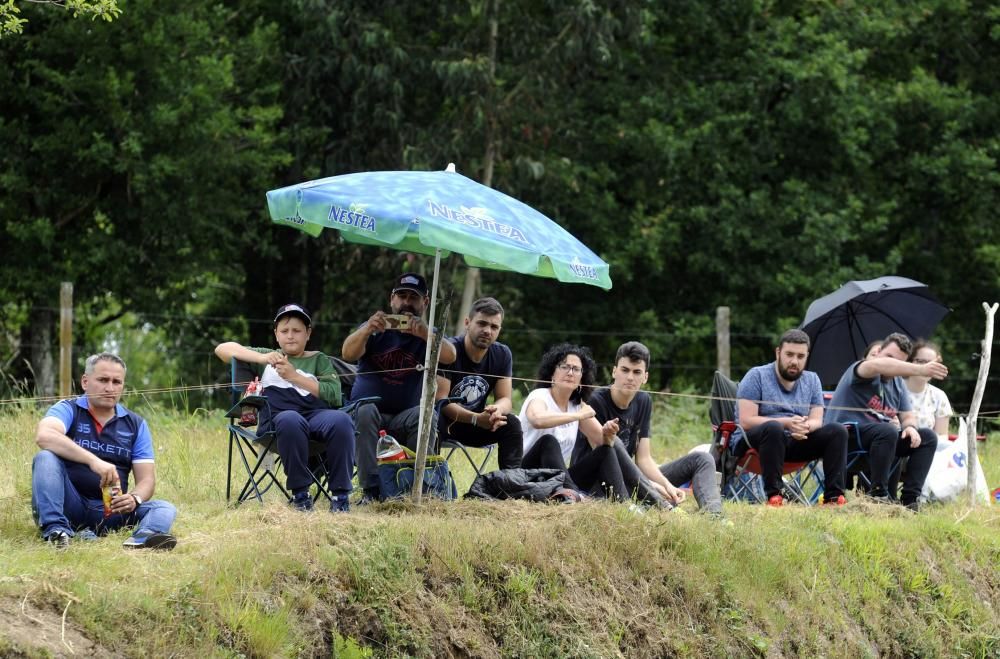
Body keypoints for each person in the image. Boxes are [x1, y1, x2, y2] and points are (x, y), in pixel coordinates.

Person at [215, 303, 355, 512]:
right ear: (276, 335)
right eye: (285, 331)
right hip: (276, 423)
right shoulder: (267, 357)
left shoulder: (319, 359)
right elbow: (222, 349)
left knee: (342, 420)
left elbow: (334, 395)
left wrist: (295, 377)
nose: (290, 336)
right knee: (290, 418)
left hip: (314, 416)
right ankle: (301, 495)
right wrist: (262, 358)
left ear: (308, 334)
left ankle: (340, 497)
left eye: (297, 331)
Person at [31, 353, 177, 549]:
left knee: (164, 508)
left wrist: (134, 498)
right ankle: (57, 532)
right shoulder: (68, 408)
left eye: (117, 382)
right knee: (45, 458)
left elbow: (147, 481)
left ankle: (143, 539)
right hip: (68, 504)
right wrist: (94, 461)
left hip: (110, 511)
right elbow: (45, 436)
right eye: (103, 380)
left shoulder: (136, 424)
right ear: (85, 381)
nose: (110, 388)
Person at [342, 273, 457, 501]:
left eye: (413, 298)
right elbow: (347, 353)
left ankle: (418, 487)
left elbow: (450, 356)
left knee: (427, 414)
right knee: (364, 411)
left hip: (405, 417)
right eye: (401, 296)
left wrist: (424, 333)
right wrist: (367, 330)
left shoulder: (428, 334)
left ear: (424, 303)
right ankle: (371, 491)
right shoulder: (375, 327)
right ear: (391, 299)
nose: (406, 303)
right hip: (369, 414)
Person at [579, 341, 723, 514]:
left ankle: (715, 516)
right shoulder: (596, 400)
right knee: (613, 440)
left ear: (645, 377)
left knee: (702, 458)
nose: (630, 377)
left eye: (636, 372)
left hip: (634, 478)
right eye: (625, 370)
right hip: (600, 481)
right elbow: (606, 458)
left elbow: (644, 459)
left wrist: (667, 486)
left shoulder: (644, 400)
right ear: (614, 371)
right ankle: (661, 506)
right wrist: (652, 487)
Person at [826, 332, 948, 509]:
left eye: (899, 361)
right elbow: (880, 366)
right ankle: (878, 495)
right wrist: (920, 369)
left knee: (927, 437)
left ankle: (910, 500)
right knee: (887, 430)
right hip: (847, 441)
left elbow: (907, 415)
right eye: (890, 357)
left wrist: (910, 427)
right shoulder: (862, 369)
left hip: (882, 443)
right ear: (878, 353)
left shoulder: (898, 383)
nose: (894, 364)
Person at [736, 329, 849, 507]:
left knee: (837, 430)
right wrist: (787, 424)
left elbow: (816, 420)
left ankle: (834, 498)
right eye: (789, 354)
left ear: (807, 356)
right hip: (757, 442)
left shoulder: (812, 380)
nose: (794, 361)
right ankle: (775, 497)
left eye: (800, 356)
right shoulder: (756, 375)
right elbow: (746, 421)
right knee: (774, 428)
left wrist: (803, 428)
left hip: (796, 440)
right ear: (778, 352)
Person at [518, 343, 641, 502]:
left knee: (605, 451)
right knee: (548, 441)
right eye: (564, 367)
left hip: (557, 479)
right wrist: (577, 416)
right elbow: (537, 419)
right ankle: (576, 497)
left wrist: (609, 433)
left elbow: (604, 442)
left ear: (581, 378)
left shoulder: (576, 405)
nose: (570, 372)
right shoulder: (539, 396)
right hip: (527, 476)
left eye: (576, 369)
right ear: (552, 373)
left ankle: (625, 503)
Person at [436, 297, 523, 469]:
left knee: (511, 423)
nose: (487, 331)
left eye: (494, 327)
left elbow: (505, 398)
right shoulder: (449, 351)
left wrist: (496, 410)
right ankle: (430, 483)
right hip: (445, 424)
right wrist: (475, 419)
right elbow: (441, 401)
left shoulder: (502, 354)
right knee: (433, 418)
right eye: (482, 324)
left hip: (477, 424)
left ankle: (511, 483)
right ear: (467, 322)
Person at [905, 340, 953, 435]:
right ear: (910, 361)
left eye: (932, 364)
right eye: (921, 361)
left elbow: (942, 436)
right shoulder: (894, 388)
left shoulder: (939, 396)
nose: (927, 367)